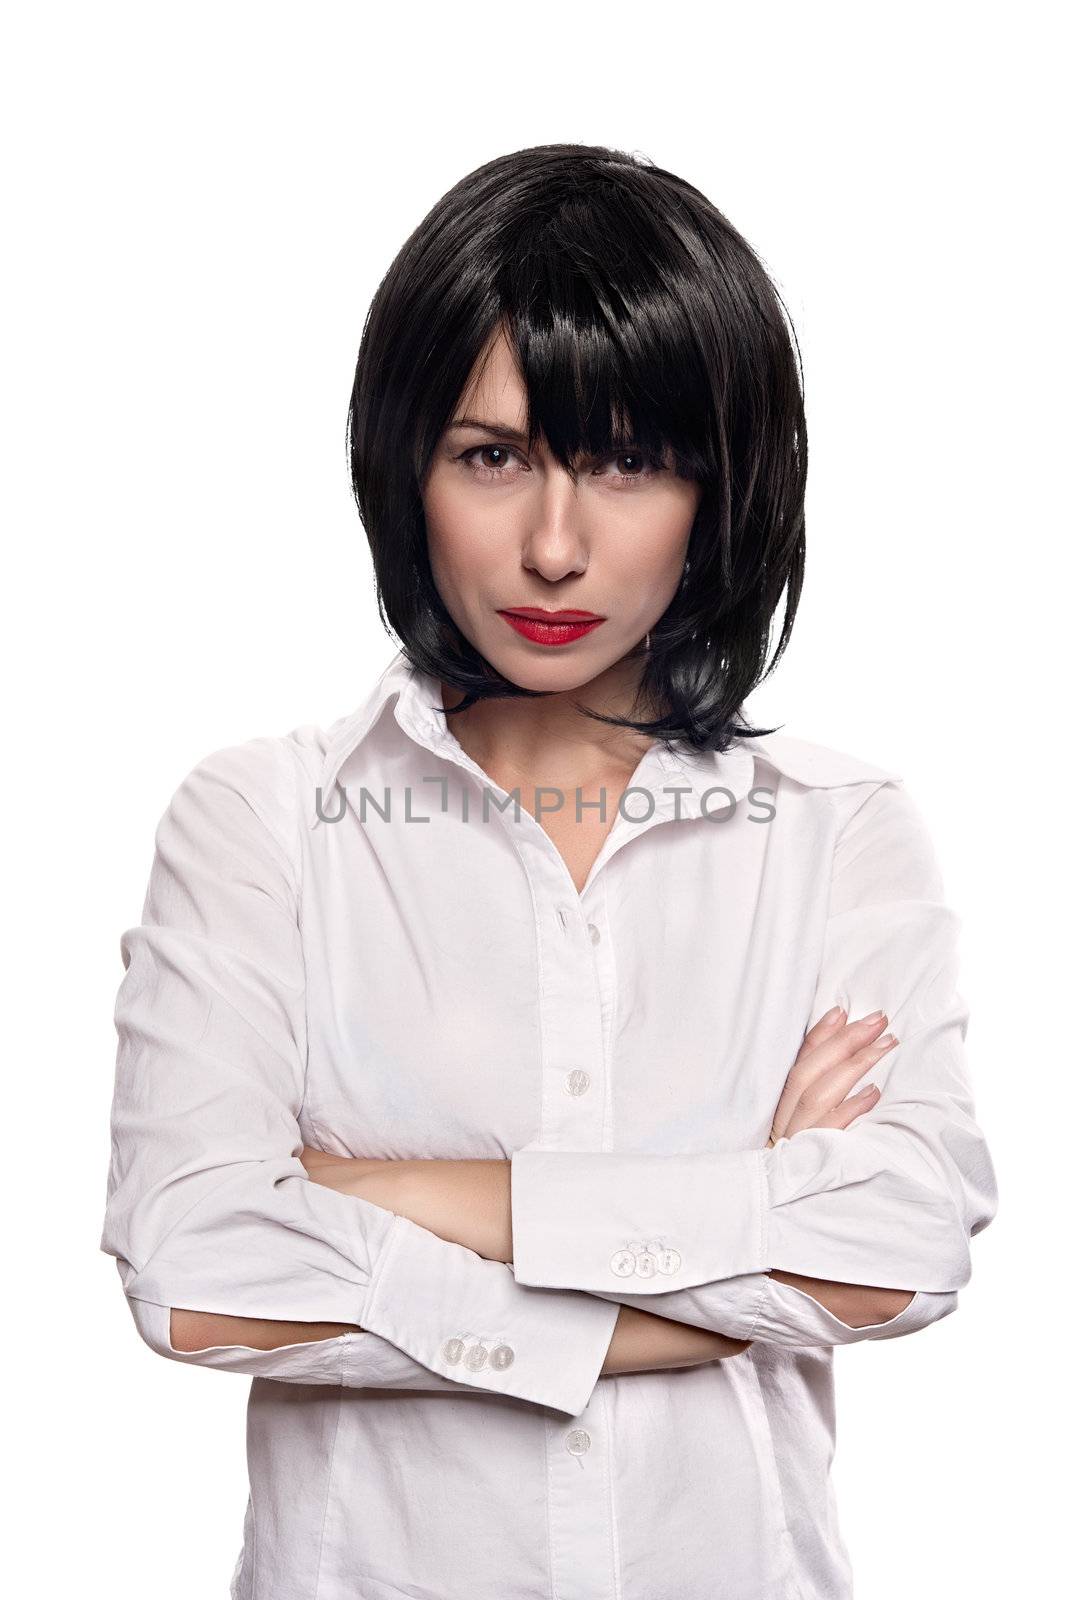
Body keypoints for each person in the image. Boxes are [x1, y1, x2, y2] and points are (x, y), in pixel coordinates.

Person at [99, 143, 998, 1600]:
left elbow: (899, 1243)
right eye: (493, 456)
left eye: (629, 461)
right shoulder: (259, 820)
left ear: (722, 487)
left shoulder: (841, 830)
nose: (557, 546)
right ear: (408, 465)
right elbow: (197, 1269)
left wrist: (381, 1194)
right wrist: (720, 1246)